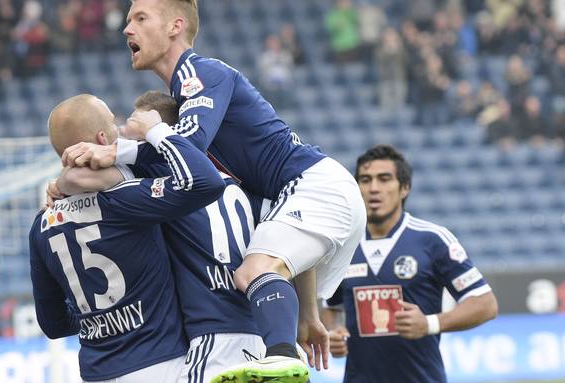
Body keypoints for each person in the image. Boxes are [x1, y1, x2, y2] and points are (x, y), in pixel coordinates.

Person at [61, 1, 366, 382]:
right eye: (127, 21)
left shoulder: (199, 71)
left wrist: (133, 140)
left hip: (315, 185)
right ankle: (282, 352)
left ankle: (282, 357)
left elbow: (189, 144)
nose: (127, 29)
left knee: (253, 270)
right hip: (302, 196)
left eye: (140, 18)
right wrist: (307, 314)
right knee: (264, 266)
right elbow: (276, 226)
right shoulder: (192, 99)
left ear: (175, 26)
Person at [50, 90, 269, 383]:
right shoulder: (231, 180)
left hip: (205, 336)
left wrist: (60, 184)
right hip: (252, 326)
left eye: (130, 125)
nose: (123, 134)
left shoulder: (151, 174)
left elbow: (76, 178)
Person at [322, 144, 499, 383]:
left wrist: (430, 323)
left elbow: (485, 304)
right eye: (365, 180)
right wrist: (333, 333)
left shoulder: (432, 240)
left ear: (404, 188)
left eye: (384, 179)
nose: (374, 188)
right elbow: (331, 307)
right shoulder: (343, 245)